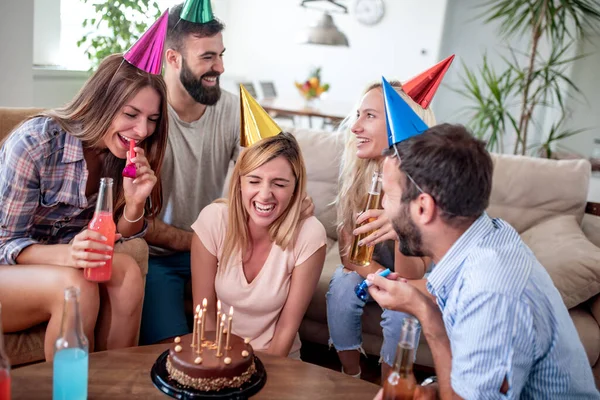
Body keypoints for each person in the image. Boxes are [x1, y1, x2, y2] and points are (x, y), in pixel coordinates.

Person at [368, 123, 599, 399]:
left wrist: (425, 313)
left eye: (388, 196)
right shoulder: (487, 236)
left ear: (423, 207)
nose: (383, 206)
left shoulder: (490, 289)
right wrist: (434, 390)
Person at [141, 1, 314, 344]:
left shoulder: (232, 108)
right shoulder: (146, 115)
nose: (219, 67)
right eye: (207, 57)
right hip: (159, 256)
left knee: (230, 351)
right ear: (172, 58)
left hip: (219, 249)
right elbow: (131, 219)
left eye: (221, 55)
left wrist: (296, 200)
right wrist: (203, 242)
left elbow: (278, 166)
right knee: (175, 352)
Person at [0, 51, 169, 360]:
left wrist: (134, 204)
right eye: (131, 114)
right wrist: (69, 254)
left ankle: (116, 384)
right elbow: (4, 244)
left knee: (128, 273)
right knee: (76, 284)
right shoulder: (35, 144)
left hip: (60, 263)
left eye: (151, 120)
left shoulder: (117, 157)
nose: (143, 131)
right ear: (101, 102)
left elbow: (122, 236)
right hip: (8, 271)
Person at [326, 58, 453, 379]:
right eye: (358, 115)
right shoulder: (357, 176)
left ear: (397, 125)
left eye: (369, 116)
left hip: (414, 276)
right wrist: (377, 277)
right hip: (375, 270)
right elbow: (349, 255)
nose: (355, 127)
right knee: (342, 285)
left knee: (402, 313)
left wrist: (400, 229)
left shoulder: (423, 188)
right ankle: (350, 376)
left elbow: (411, 277)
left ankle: (388, 385)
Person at [191, 130, 327, 358]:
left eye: (280, 184)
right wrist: (218, 367)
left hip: (278, 361)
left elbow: (286, 330)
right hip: (219, 356)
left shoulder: (310, 235)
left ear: (296, 188)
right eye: (254, 180)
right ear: (239, 183)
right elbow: (205, 318)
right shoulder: (213, 220)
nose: (265, 195)